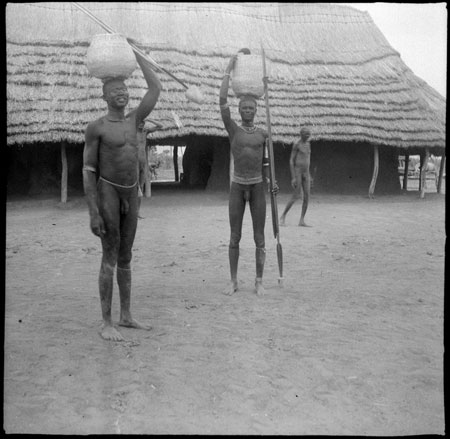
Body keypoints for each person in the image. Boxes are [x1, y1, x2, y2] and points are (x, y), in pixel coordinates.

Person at [82, 43, 163, 341]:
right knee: (110, 254)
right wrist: (93, 212)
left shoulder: (134, 121)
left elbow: (155, 88)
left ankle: (126, 316)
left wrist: (139, 57)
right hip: (108, 193)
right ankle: (106, 322)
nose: (122, 93)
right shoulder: (97, 128)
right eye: (115, 89)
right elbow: (88, 172)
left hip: (132, 193)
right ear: (104, 95)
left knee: (126, 255)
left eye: (125, 89)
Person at [219, 51, 277, 297]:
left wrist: (272, 180)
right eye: (243, 107)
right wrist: (227, 70)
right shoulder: (233, 129)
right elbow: (222, 102)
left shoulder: (264, 134)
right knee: (234, 236)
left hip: (256, 188)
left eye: (251, 107)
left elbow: (267, 164)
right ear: (240, 108)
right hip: (237, 186)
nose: (247, 110)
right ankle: (233, 281)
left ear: (256, 109)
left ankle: (259, 280)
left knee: (259, 237)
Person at [280, 126, 312, 227]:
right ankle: (283, 216)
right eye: (306, 134)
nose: (308, 135)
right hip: (298, 172)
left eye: (309, 134)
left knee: (307, 197)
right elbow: (291, 161)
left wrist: (309, 174)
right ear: (301, 134)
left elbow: (308, 160)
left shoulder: (308, 144)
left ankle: (301, 220)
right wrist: (293, 177)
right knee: (296, 195)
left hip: (305, 173)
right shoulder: (297, 145)